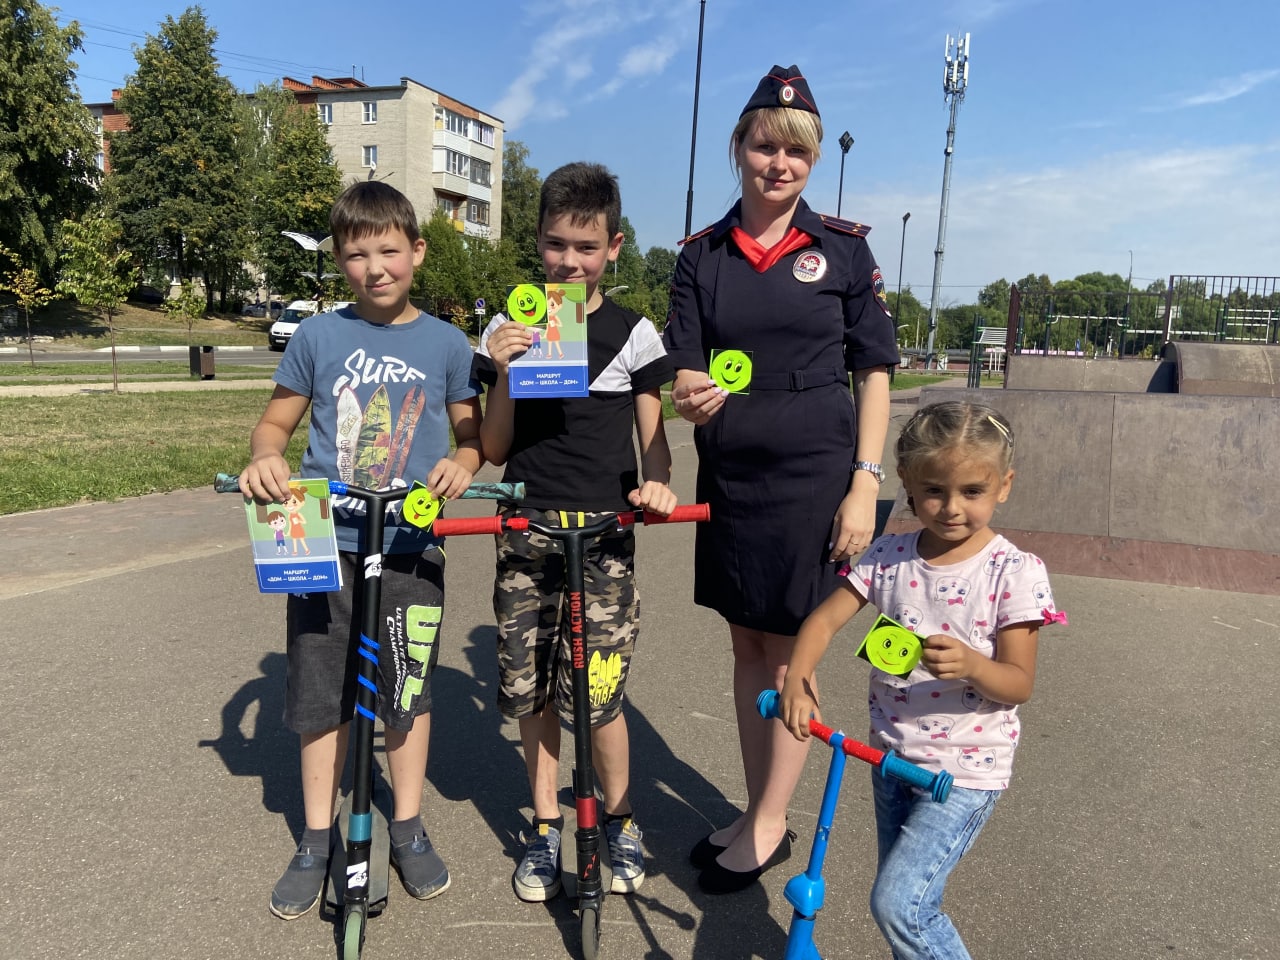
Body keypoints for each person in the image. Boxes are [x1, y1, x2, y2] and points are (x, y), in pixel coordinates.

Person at [662, 64, 900, 894]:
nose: (780, 164)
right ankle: (758, 800)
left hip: (816, 470)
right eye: (766, 146)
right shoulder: (701, 255)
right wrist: (691, 396)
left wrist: (866, 481)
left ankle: (771, 825)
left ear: (811, 160)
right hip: (734, 470)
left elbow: (874, 370)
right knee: (745, 643)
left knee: (797, 648)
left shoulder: (844, 248)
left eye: (796, 152)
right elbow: (683, 365)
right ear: (740, 147)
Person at [237, 180, 483, 920]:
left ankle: (404, 826)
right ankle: (317, 838)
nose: (374, 267)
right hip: (322, 545)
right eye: (355, 254)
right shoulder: (316, 337)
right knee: (320, 697)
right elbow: (273, 428)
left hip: (410, 548)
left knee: (405, 691)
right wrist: (263, 460)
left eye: (387, 250)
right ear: (339, 261)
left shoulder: (446, 344)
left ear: (417, 251)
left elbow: (472, 438)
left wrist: (465, 466)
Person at [779, 400, 1065, 959]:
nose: (952, 508)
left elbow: (1018, 683)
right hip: (891, 759)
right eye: (934, 490)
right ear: (907, 482)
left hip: (965, 770)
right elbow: (824, 618)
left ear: (1003, 486)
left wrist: (974, 666)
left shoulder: (1013, 572)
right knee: (909, 904)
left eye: (972, 492)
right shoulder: (888, 557)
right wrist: (798, 675)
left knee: (899, 904)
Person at [473, 161, 677, 903]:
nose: (570, 261)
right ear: (538, 241)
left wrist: (656, 481)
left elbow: (654, 440)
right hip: (526, 534)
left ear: (614, 248)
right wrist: (500, 370)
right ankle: (544, 824)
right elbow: (494, 449)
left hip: (605, 540)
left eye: (587, 248)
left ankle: (619, 820)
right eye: (557, 244)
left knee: (599, 694)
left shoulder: (633, 333)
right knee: (528, 695)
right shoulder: (510, 324)